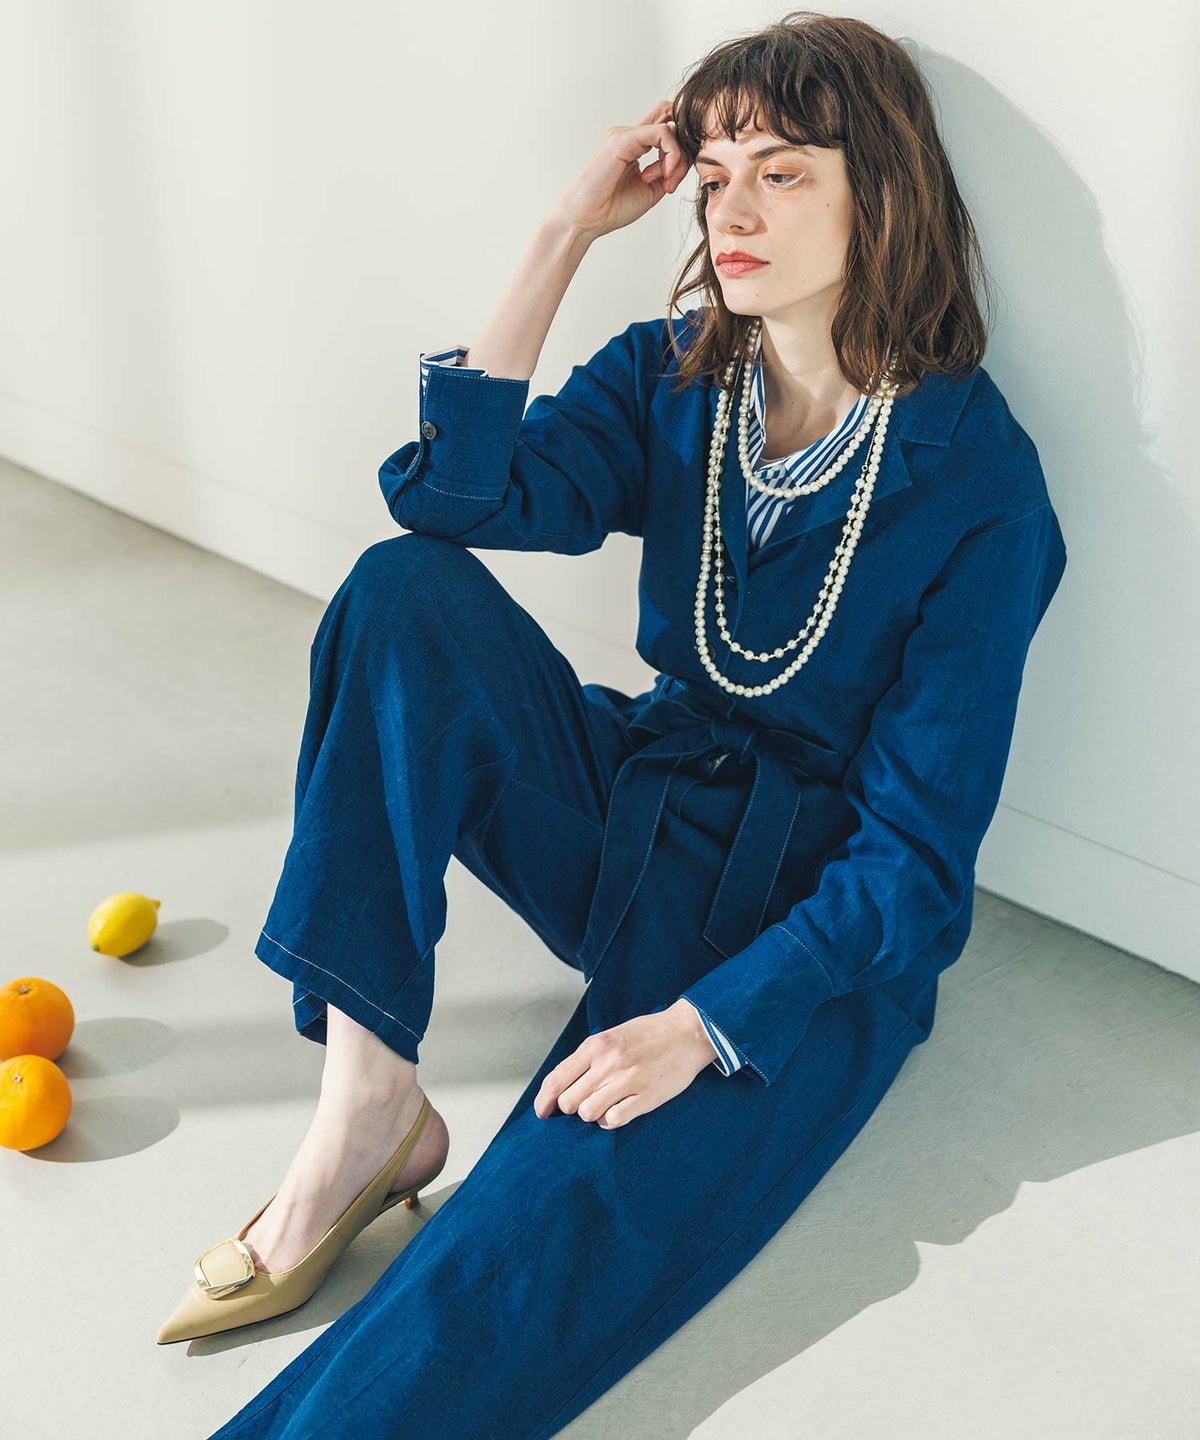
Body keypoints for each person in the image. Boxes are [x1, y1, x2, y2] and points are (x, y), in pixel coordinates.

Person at [158, 10, 1068, 1437]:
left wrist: (704, 1027)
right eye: (714, 176)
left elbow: (916, 865)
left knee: (524, 1253)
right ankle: (367, 1106)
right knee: (404, 593)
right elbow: (448, 502)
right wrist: (564, 234)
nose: (733, 212)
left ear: (881, 195)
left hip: (797, 939)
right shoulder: (677, 374)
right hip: (636, 815)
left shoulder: (978, 483)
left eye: (783, 172)